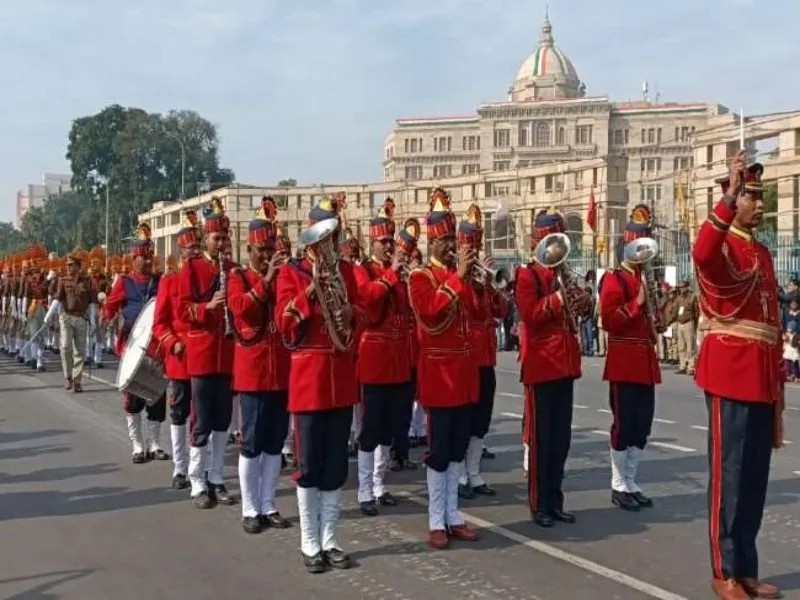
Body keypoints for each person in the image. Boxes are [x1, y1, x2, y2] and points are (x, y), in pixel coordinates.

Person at [694, 151, 783, 600]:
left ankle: (745, 567)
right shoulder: (723, 243)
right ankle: (723, 570)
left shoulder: (761, 252)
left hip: (762, 376)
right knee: (728, 478)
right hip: (730, 373)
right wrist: (728, 197)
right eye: (753, 197)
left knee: (753, 480)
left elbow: (771, 325)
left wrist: (779, 389)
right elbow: (702, 252)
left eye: (761, 197)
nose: (761, 205)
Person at [275, 195, 364, 573]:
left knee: (335, 468)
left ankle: (331, 539)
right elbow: (283, 322)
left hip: (340, 379)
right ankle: (309, 542)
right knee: (309, 465)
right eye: (324, 235)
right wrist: (310, 293)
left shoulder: (346, 270)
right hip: (309, 380)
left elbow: (360, 313)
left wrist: (348, 311)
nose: (330, 244)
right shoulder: (291, 273)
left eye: (334, 234)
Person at [407, 187, 480, 550]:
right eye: (444, 240)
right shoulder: (419, 277)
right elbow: (431, 313)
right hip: (439, 376)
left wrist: (474, 281)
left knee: (456, 450)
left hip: (464, 375)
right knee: (438, 453)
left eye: (453, 239)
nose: (451, 246)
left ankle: (453, 515)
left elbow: (479, 315)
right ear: (432, 242)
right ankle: (436, 519)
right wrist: (459, 278)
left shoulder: (459, 276)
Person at [517, 208, 590, 527]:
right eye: (551, 241)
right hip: (541, 366)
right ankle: (538, 504)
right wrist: (558, 299)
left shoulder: (563, 275)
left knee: (561, 440)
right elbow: (531, 315)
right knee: (542, 440)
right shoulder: (527, 276)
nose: (557, 250)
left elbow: (583, 313)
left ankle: (555, 499)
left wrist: (582, 298)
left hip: (564, 366)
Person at [228, 197, 292, 533]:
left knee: (274, 441)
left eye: (269, 247)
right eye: (260, 249)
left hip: (279, 371)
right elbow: (244, 311)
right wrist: (266, 281)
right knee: (251, 442)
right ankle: (249, 508)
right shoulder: (238, 276)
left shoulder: (281, 276)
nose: (266, 254)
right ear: (249, 248)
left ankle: (268, 503)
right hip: (252, 374)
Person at [599, 205, 662, 512]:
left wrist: (657, 315)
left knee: (642, 424)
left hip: (644, 360)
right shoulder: (615, 279)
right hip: (624, 360)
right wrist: (637, 305)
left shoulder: (643, 278)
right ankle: (618, 483)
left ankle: (632, 480)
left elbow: (653, 320)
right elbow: (609, 320)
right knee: (623, 424)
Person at [352, 199, 411, 516]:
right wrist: (391, 275)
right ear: (371, 243)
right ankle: (364, 490)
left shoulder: (397, 273)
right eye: (383, 241)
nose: (389, 246)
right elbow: (368, 303)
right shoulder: (362, 271)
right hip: (374, 360)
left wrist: (404, 277)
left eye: (391, 241)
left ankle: (380, 483)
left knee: (390, 427)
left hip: (398, 359)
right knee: (370, 429)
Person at [179, 197, 238, 509]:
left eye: (225, 238)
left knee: (222, 420)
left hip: (226, 354)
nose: (222, 242)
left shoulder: (232, 269)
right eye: (217, 237)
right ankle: (196, 480)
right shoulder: (192, 267)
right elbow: (183, 309)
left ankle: (216, 477)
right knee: (201, 419)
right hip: (202, 354)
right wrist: (208, 307)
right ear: (205, 238)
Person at [102, 224, 169, 463]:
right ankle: (137, 445)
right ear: (134, 258)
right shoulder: (124, 282)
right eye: (143, 256)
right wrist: (106, 314)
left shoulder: (161, 281)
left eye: (150, 256)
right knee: (132, 401)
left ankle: (155, 443)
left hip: (157, 348)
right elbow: (110, 306)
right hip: (132, 346)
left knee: (156, 398)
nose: (147, 261)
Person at [456, 204, 507, 499]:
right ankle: (461, 473)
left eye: (477, 244)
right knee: (466, 416)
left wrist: (492, 286)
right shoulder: (458, 276)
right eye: (470, 244)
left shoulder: (483, 279)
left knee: (482, 419)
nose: (475, 250)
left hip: (486, 356)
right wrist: (473, 283)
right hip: (467, 357)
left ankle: (474, 473)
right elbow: (469, 310)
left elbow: (499, 310)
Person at [152, 209, 201, 490]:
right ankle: (180, 468)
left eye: (197, 246)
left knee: (202, 415)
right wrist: (173, 343)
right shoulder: (169, 281)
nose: (194, 251)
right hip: (181, 358)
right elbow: (159, 324)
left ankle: (199, 468)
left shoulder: (210, 278)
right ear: (181, 250)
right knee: (180, 413)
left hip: (206, 356)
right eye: (190, 247)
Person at [48, 251, 93, 391]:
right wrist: (49, 314)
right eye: (68, 265)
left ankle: (77, 380)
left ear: (79, 266)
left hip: (81, 318)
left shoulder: (87, 281)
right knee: (66, 346)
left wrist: (94, 320)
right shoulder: (63, 280)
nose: (68, 268)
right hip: (66, 317)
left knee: (80, 351)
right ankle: (67, 376)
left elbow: (92, 301)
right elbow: (57, 297)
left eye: (72, 265)